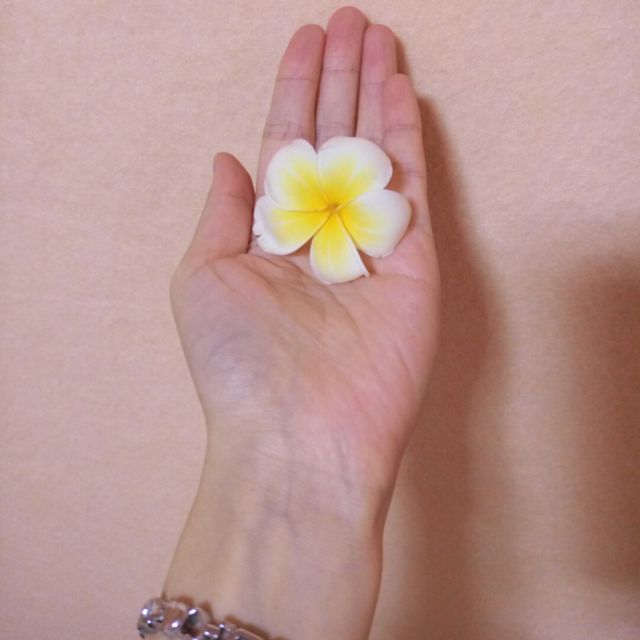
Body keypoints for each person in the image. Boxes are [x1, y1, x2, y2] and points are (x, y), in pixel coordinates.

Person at [160, 6, 438, 640]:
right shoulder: (309, 219)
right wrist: (279, 458)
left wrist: (279, 467)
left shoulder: (344, 220)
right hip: (329, 222)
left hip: (335, 223)